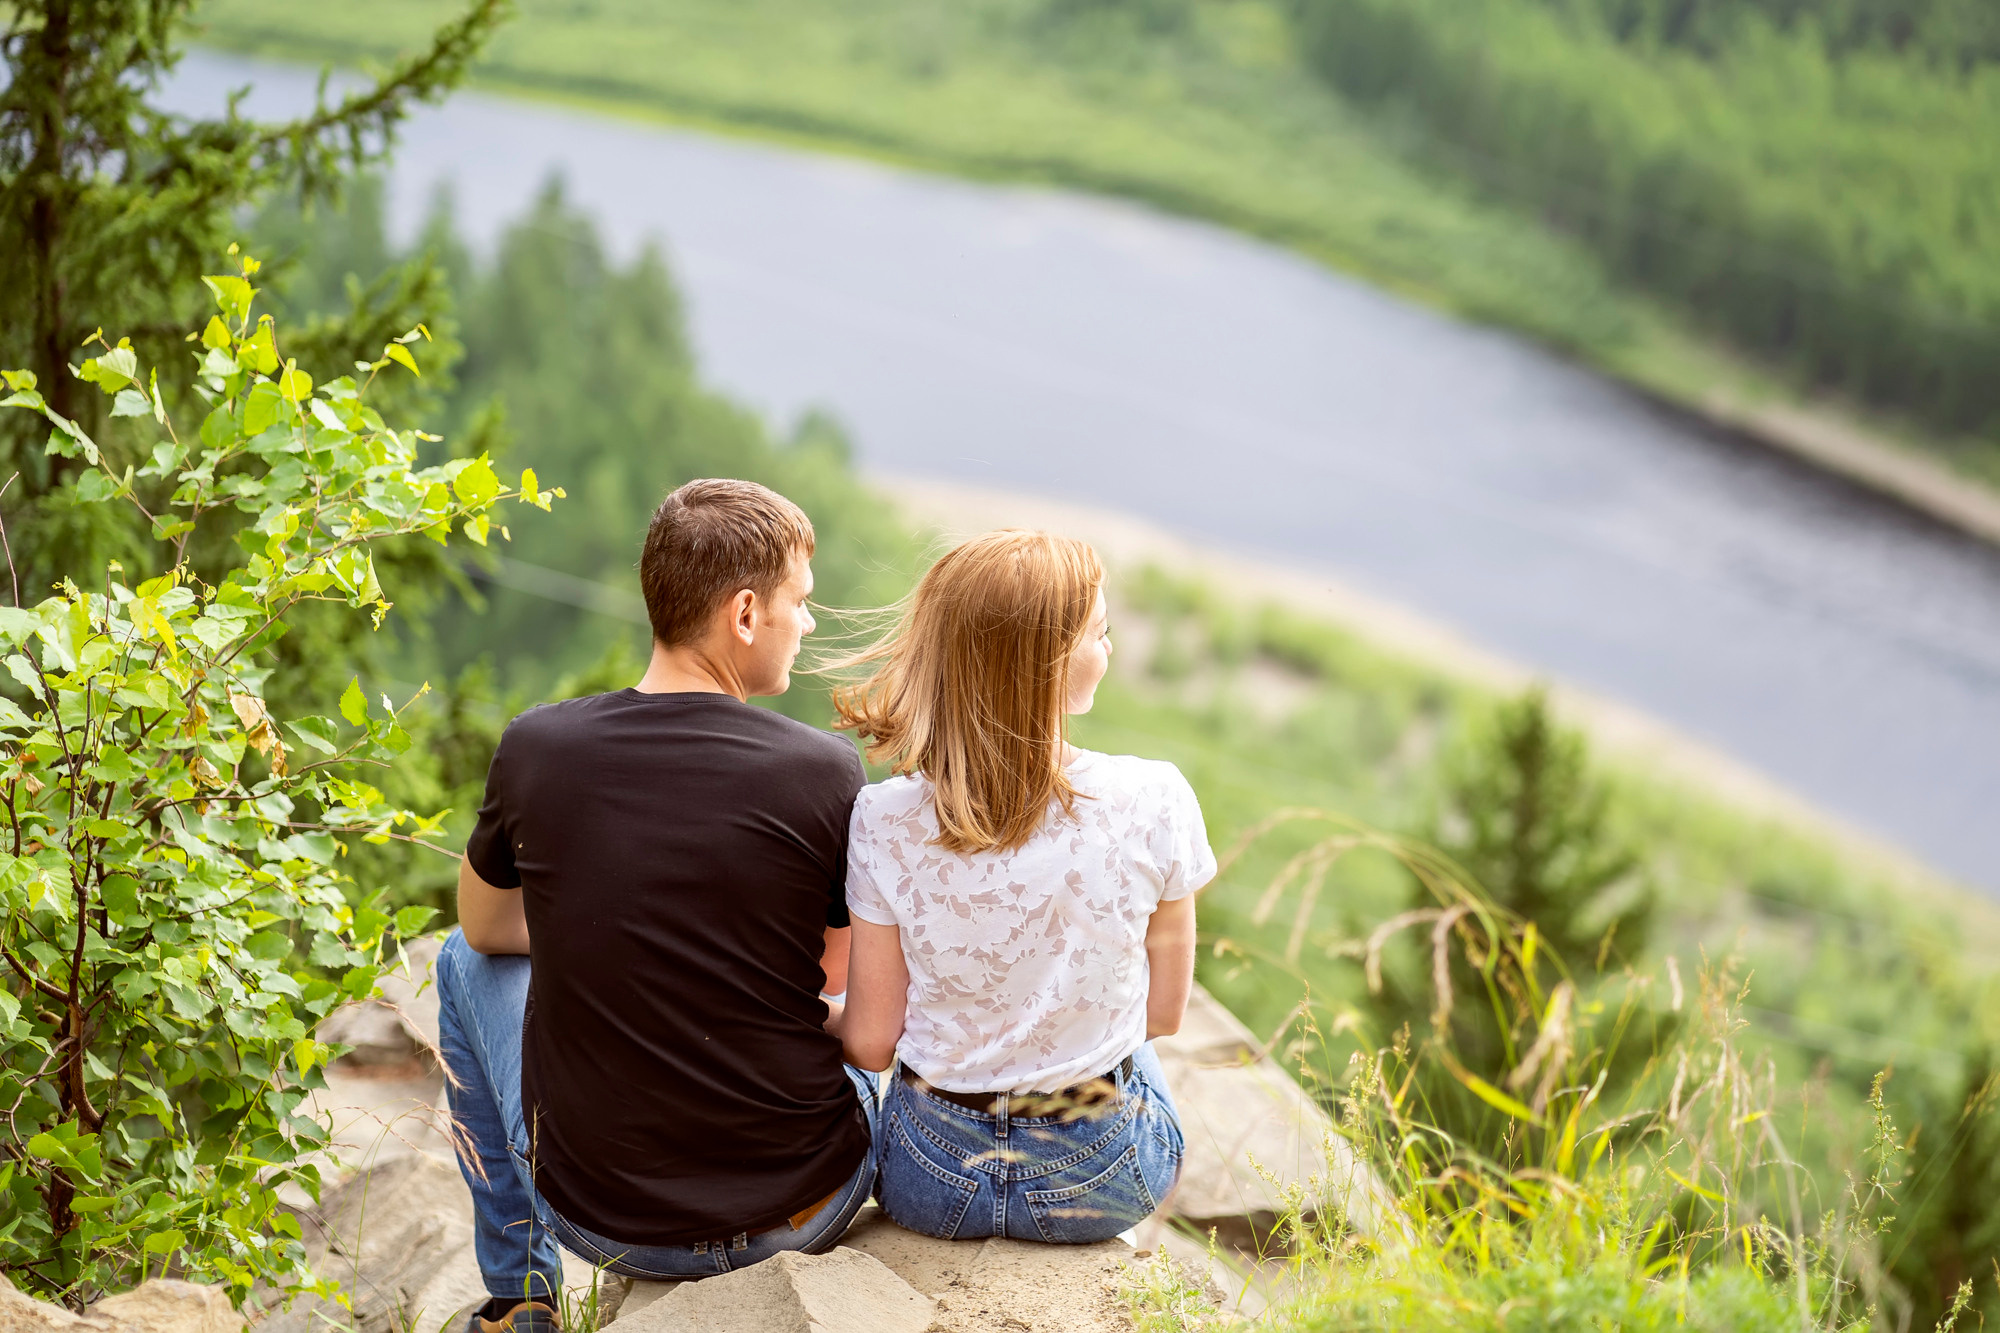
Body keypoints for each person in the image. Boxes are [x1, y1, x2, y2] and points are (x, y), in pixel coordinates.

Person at [436, 479, 878, 1332]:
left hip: (601, 1224)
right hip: (804, 1210)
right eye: (802, 602)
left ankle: (521, 1298)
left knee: (457, 963)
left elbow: (484, 929)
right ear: (746, 614)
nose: (810, 624)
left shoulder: (538, 745)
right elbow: (828, 983)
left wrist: (594, 927)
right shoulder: (826, 771)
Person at [831, 529, 1213, 1243]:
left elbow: (873, 1042)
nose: (1110, 649)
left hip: (928, 1180)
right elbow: (1163, 1013)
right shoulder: (1155, 797)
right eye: (1100, 633)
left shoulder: (883, 818)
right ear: (1049, 666)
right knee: (1135, 1042)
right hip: (1101, 1177)